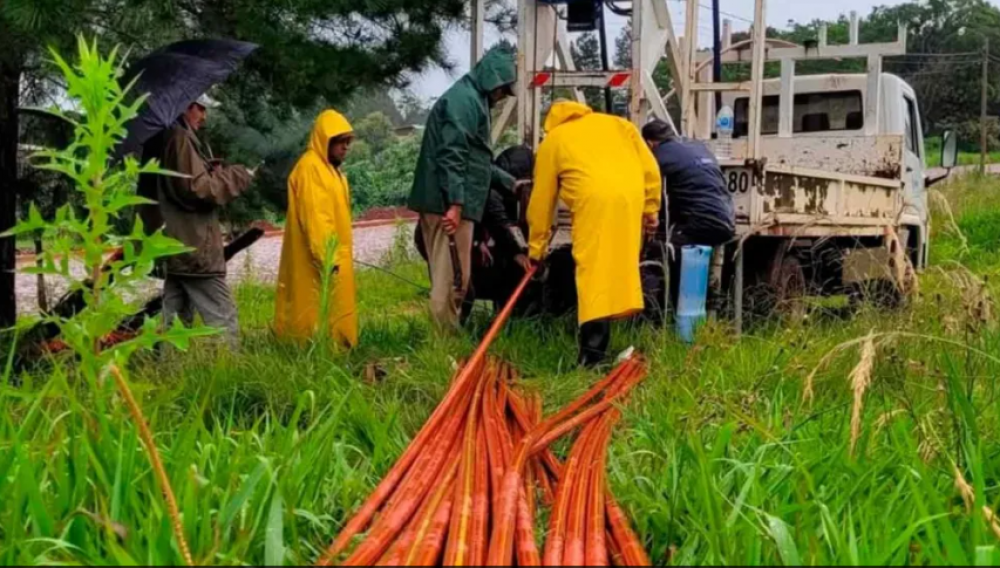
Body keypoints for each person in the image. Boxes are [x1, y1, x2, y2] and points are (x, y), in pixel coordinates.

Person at [526, 101, 662, 367]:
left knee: (592, 273)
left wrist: (536, 248)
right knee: (618, 266)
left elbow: (541, 201)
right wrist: (651, 209)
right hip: (629, 198)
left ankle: (592, 356)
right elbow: (650, 169)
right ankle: (615, 338)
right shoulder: (619, 124)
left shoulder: (554, 140)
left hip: (594, 201)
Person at [408, 47, 523, 333]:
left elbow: (477, 160)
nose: (501, 98)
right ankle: (444, 344)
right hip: (446, 203)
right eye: (502, 91)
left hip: (453, 202)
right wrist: (456, 204)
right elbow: (453, 154)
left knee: (458, 277)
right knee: (451, 280)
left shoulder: (473, 100)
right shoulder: (464, 101)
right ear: (492, 80)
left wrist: (511, 183)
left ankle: (449, 335)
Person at [138, 94, 253, 347]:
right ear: (186, 107)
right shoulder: (179, 138)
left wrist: (209, 170)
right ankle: (228, 375)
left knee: (175, 323)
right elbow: (197, 190)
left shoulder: (165, 136)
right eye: (200, 109)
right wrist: (237, 176)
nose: (204, 116)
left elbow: (182, 186)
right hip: (193, 247)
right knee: (223, 318)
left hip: (176, 245)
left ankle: (170, 376)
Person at [274, 110, 358, 348]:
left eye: (347, 142)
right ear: (326, 140)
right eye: (340, 142)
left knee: (334, 309)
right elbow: (317, 218)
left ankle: (339, 348)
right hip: (321, 260)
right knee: (312, 309)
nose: (345, 147)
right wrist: (328, 258)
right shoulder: (311, 168)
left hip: (334, 258)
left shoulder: (331, 170)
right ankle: (311, 353)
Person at [641, 120, 735, 319]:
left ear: (649, 144)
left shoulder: (658, 157)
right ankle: (704, 314)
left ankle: (653, 322)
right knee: (689, 263)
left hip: (700, 223)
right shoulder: (697, 147)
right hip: (726, 220)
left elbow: (649, 192)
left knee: (656, 256)